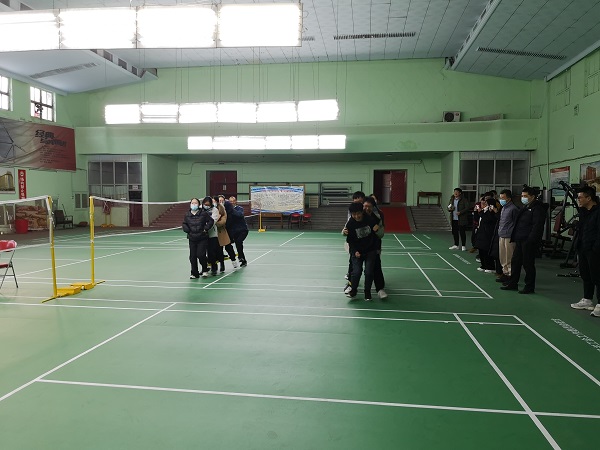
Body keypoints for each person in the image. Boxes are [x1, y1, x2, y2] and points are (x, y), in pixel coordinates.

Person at [500, 187, 546, 294]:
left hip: (528, 240)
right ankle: (513, 283)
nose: (523, 198)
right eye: (522, 196)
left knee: (528, 264)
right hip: (520, 239)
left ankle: (529, 286)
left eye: (525, 196)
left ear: (533, 197)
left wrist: (531, 239)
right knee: (515, 262)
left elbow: (537, 226)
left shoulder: (537, 209)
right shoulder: (525, 207)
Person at [570, 186, 600, 317]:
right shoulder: (583, 212)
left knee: (597, 276)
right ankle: (587, 299)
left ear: (589, 198)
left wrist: (595, 248)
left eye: (580, 197)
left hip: (594, 250)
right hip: (582, 247)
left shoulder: (598, 212)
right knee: (585, 275)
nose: (579, 200)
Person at [345, 202, 379, 301]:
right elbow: (350, 241)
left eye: (358, 213)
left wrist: (377, 228)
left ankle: (367, 292)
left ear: (362, 212)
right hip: (357, 251)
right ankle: (353, 290)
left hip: (370, 250)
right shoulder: (350, 224)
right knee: (356, 272)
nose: (356, 216)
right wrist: (355, 251)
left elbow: (379, 224)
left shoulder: (370, 220)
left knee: (368, 272)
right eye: (354, 214)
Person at [182, 197, 214, 278]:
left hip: (202, 237)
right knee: (192, 257)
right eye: (192, 203)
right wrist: (187, 230)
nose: (194, 204)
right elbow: (184, 223)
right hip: (192, 238)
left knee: (201, 255)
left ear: (199, 205)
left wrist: (206, 229)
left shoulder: (203, 213)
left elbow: (211, 221)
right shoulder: (187, 214)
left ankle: (204, 269)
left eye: (195, 203)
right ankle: (194, 273)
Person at [363, 196, 387, 299]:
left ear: (373, 207)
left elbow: (381, 234)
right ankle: (352, 287)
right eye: (365, 206)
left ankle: (380, 289)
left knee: (376, 267)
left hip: (373, 247)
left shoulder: (378, 217)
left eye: (369, 206)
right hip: (359, 248)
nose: (366, 208)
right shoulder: (357, 216)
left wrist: (377, 230)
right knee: (355, 268)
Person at [495, 189, 519, 284]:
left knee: (509, 257)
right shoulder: (503, 208)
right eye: (500, 198)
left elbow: (516, 223)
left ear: (508, 199)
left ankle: (510, 275)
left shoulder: (513, 209)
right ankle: (505, 273)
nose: (501, 200)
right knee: (503, 256)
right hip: (501, 235)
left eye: (503, 198)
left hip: (509, 236)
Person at [474, 196, 497, 273]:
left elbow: (488, 219)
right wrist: (477, 211)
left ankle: (490, 267)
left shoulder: (492, 212)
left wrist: (481, 212)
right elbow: (477, 218)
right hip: (481, 233)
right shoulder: (484, 211)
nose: (484, 204)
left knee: (486, 250)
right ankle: (483, 265)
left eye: (486, 203)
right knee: (481, 250)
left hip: (488, 234)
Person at [224, 196, 249, 267]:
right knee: (228, 244)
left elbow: (239, 215)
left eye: (233, 201)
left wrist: (231, 210)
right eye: (230, 201)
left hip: (243, 230)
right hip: (233, 232)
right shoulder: (227, 210)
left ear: (236, 201)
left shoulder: (239, 208)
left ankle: (241, 257)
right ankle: (240, 259)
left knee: (238, 242)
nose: (232, 202)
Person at [203, 196, 220, 275]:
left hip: (212, 234)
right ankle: (204, 268)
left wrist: (205, 228)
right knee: (202, 253)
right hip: (202, 235)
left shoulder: (215, 210)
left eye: (208, 205)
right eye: (205, 204)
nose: (206, 206)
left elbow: (213, 221)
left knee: (211, 252)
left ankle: (214, 267)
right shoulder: (200, 210)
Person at [213, 196, 229, 273]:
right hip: (211, 233)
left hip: (220, 232)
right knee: (212, 251)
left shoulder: (222, 210)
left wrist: (214, 223)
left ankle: (222, 264)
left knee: (220, 250)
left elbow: (223, 221)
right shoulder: (210, 210)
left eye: (214, 201)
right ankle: (213, 266)